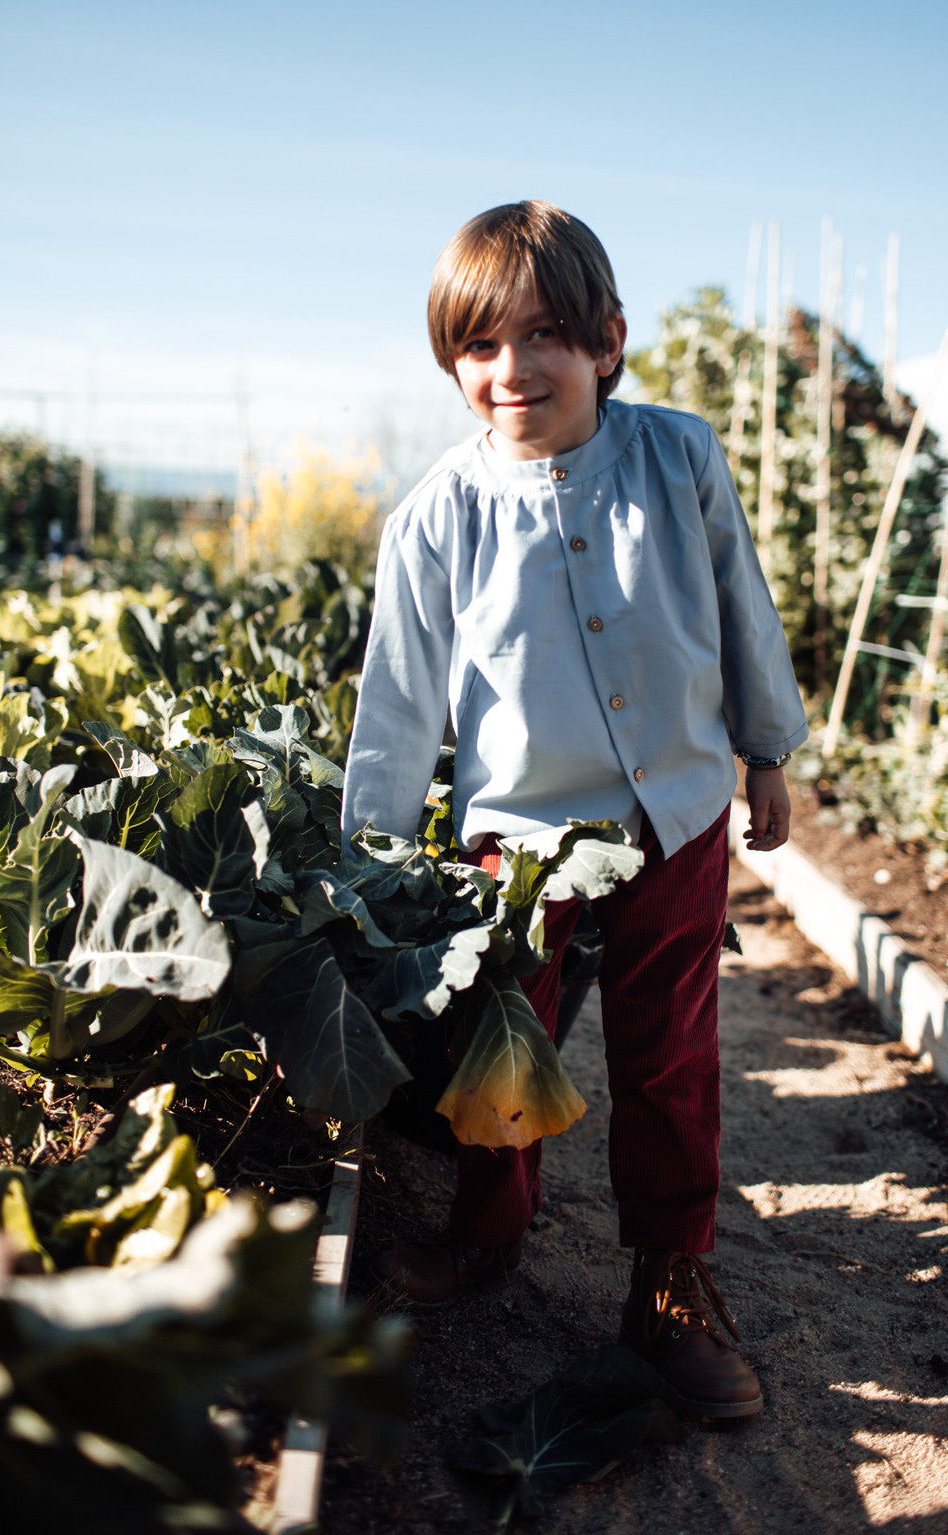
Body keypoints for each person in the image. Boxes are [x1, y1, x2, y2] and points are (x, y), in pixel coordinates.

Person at [340, 200, 807, 1419]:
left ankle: (671, 1278)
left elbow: (738, 607)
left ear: (605, 340)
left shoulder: (678, 457)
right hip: (523, 841)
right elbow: (396, 709)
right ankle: (492, 1225)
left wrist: (765, 751)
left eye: (542, 334)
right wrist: (373, 862)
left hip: (675, 815)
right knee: (506, 1048)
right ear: (452, 363)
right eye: (479, 346)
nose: (511, 369)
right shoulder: (435, 518)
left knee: (670, 1055)